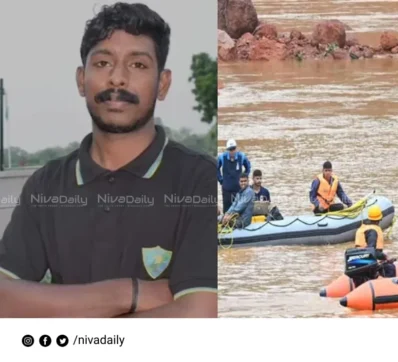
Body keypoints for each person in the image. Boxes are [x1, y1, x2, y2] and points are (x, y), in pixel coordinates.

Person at [0, 3, 216, 318]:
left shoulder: (201, 182)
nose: (117, 79)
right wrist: (130, 292)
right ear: (80, 79)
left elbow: (202, 315)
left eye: (138, 65)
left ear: (163, 83)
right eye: (102, 62)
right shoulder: (46, 185)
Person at [354, 205, 396, 277]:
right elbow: (371, 251)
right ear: (379, 219)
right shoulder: (372, 231)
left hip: (358, 261)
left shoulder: (363, 228)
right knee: (390, 268)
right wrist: (385, 257)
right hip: (366, 262)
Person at [217, 139, 251, 213]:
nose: (232, 151)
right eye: (230, 149)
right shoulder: (222, 157)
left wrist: (244, 178)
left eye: (233, 149)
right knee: (227, 209)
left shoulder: (241, 156)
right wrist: (220, 179)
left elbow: (248, 167)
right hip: (226, 189)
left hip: (239, 189)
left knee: (239, 209)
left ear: (236, 148)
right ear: (227, 150)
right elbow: (216, 168)